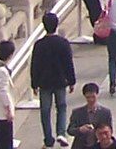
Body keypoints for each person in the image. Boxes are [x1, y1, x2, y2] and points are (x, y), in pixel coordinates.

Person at [30, 11, 76, 148]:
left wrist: (34, 83)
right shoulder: (63, 43)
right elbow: (68, 63)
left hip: (44, 82)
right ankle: (61, 132)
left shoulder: (39, 45)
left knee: (45, 110)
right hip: (60, 80)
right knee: (61, 107)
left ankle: (48, 138)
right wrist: (72, 80)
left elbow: (35, 65)